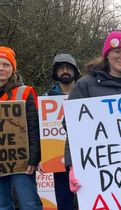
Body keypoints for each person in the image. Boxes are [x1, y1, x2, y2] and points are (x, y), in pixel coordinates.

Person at [63, 31, 121, 192]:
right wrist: (73, 165)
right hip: (99, 169)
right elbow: (71, 125)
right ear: (106, 54)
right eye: (117, 51)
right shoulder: (85, 85)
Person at [0, 46, 43, 209]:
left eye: (6, 64)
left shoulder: (25, 92)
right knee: (2, 205)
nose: (1, 68)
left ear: (13, 68)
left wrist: (34, 158)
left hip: (22, 160)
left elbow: (33, 127)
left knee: (29, 204)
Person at [39, 53, 80, 210]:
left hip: (83, 158)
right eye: (61, 68)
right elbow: (40, 129)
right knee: (64, 202)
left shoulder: (86, 93)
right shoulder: (46, 97)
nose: (65, 71)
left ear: (75, 71)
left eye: (69, 68)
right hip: (58, 159)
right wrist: (42, 155)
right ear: (55, 73)